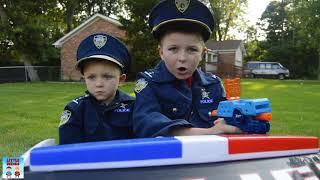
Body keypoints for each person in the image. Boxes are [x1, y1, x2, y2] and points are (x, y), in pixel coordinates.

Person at [133, 0, 270, 137]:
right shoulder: (149, 83)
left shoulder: (213, 84)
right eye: (173, 49)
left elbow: (225, 120)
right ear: (161, 52)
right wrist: (210, 132)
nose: (182, 58)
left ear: (202, 54)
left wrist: (242, 121)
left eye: (192, 50)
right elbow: (146, 124)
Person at [59, 33, 135, 144]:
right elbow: (68, 151)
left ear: (121, 80)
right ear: (84, 78)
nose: (99, 84)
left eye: (107, 76)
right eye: (91, 77)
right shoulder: (75, 110)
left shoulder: (134, 107)